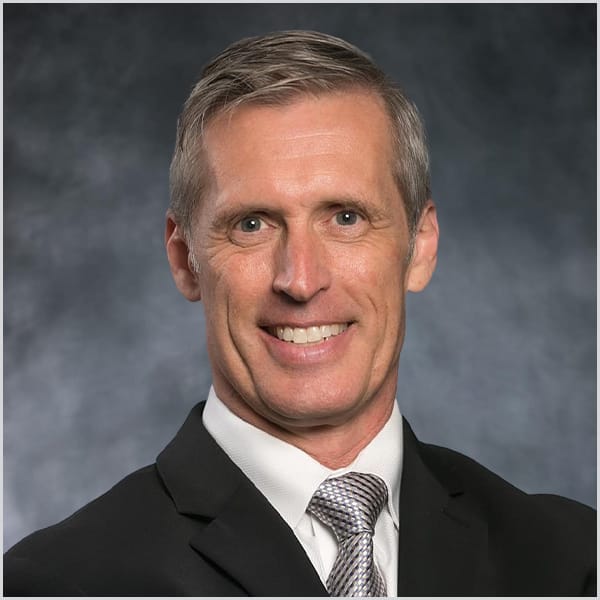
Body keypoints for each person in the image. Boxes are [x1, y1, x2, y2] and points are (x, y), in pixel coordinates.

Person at [4, 30, 595, 597]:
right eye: (252, 224)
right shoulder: (62, 584)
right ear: (186, 261)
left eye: (346, 218)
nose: (302, 280)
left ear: (420, 246)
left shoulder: (571, 563)